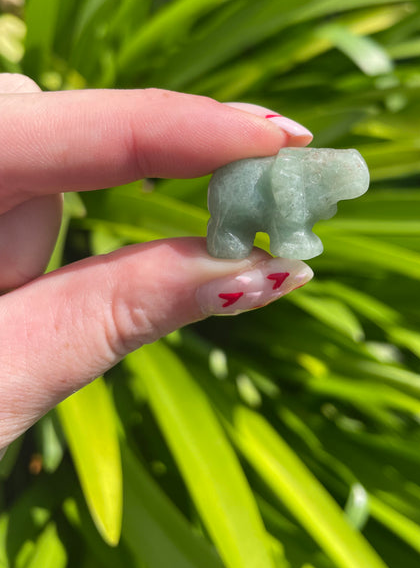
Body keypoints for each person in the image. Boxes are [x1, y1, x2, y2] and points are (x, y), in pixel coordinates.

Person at [0, 73, 314, 457]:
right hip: (239, 200)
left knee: (232, 236)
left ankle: (229, 238)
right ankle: (228, 237)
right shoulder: (287, 180)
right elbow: (289, 216)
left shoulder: (295, 179)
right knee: (230, 232)